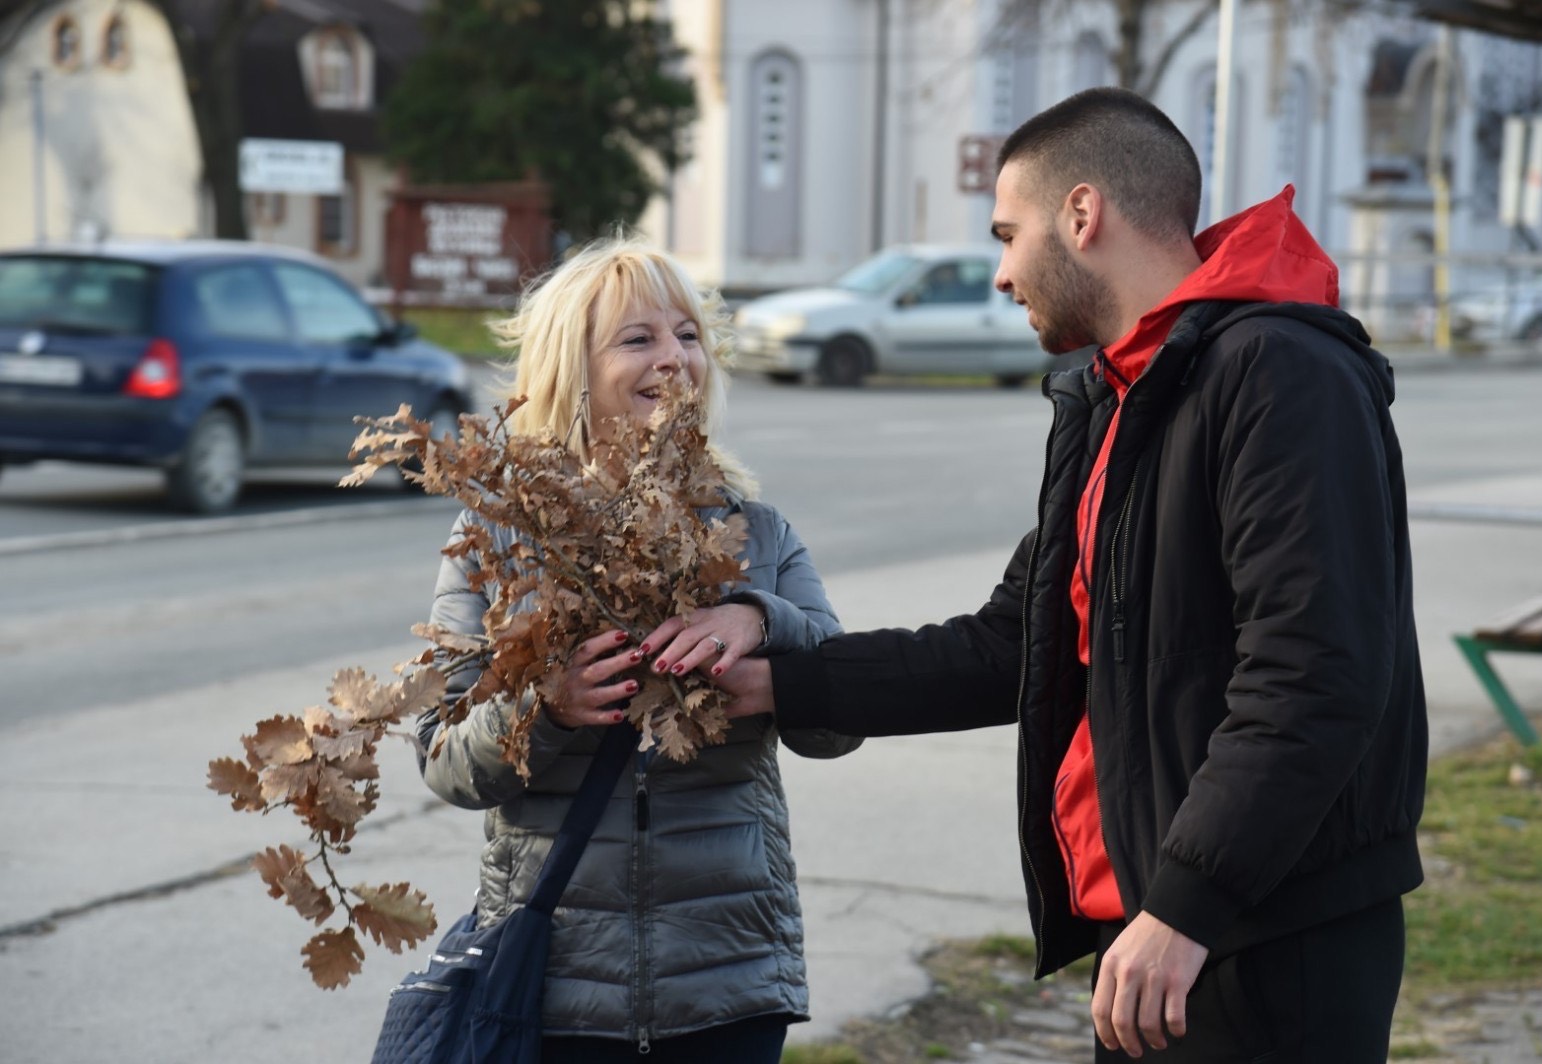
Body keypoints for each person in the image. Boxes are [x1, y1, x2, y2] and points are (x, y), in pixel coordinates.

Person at [664, 87, 1428, 1062]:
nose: (998, 273)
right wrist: (775, 676)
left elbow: (1313, 674)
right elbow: (1013, 640)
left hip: (1265, 933)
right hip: (1167, 928)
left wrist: (1187, 906)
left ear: (1081, 213)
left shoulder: (1279, 373)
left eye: (1005, 232)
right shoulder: (1123, 393)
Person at [415, 236, 862, 1063]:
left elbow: (841, 724)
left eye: (688, 335)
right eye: (638, 338)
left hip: (727, 976)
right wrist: (545, 709)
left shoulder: (757, 534)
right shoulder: (500, 541)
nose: (675, 359)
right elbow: (446, 762)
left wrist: (762, 621)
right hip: (555, 983)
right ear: (571, 368)